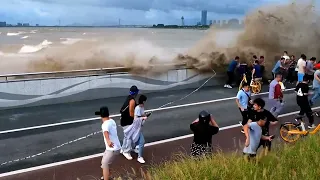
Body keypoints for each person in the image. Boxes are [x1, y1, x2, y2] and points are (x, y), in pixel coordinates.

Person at [96, 106, 121, 180]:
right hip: (113, 148)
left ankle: (106, 178)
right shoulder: (111, 121)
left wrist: (108, 140)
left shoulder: (105, 124)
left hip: (113, 148)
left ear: (101, 116)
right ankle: (107, 175)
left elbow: (105, 132)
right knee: (104, 162)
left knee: (105, 164)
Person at [123, 95, 148, 163]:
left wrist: (144, 115)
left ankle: (134, 151)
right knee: (141, 141)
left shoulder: (141, 107)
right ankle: (139, 157)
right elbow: (135, 119)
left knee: (136, 141)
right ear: (142, 101)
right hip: (135, 129)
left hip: (139, 128)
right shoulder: (137, 108)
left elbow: (142, 115)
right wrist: (142, 118)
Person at [120, 85, 139, 160]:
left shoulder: (129, 98)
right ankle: (126, 151)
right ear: (136, 93)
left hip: (123, 120)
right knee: (129, 137)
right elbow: (131, 113)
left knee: (126, 136)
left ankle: (123, 149)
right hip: (127, 121)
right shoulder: (132, 101)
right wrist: (137, 118)